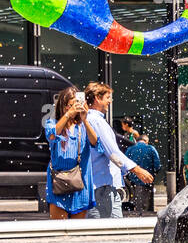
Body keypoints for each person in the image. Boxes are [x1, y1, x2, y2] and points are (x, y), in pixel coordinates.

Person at [83, 82, 152, 219]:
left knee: (115, 227)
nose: (110, 101)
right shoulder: (95, 121)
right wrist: (137, 170)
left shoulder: (95, 120)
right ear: (97, 98)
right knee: (103, 231)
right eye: (108, 97)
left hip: (105, 184)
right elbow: (112, 152)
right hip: (100, 186)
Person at [44, 86, 96, 219]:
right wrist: (67, 115)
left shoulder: (84, 126)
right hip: (59, 184)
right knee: (58, 232)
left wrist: (85, 119)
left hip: (80, 185)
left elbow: (95, 143)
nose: (75, 108)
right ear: (64, 106)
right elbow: (51, 135)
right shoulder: (52, 122)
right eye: (71, 105)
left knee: (77, 235)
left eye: (77, 104)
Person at [124, 131, 162, 214]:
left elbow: (124, 164)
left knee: (136, 205)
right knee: (147, 208)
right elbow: (157, 165)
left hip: (132, 183)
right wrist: (154, 174)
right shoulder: (151, 148)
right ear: (146, 141)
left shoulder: (130, 149)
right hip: (147, 181)